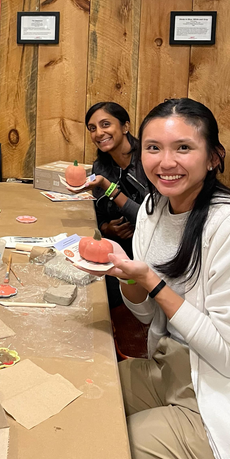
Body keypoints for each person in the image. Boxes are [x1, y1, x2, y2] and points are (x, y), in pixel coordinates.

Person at [105, 98, 230, 459]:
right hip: (173, 369)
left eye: (183, 147)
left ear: (214, 157)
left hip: (227, 403)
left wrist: (151, 281)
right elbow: (149, 316)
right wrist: (125, 275)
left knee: (99, 448)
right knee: (89, 398)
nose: (166, 162)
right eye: (153, 148)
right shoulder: (154, 208)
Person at [82, 102, 148, 307]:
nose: (98, 133)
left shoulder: (148, 161)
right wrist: (105, 228)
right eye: (92, 128)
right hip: (114, 250)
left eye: (105, 124)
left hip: (147, 253)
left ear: (125, 127)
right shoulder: (100, 165)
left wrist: (108, 186)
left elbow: (148, 220)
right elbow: (97, 210)